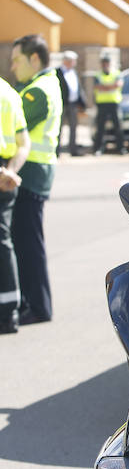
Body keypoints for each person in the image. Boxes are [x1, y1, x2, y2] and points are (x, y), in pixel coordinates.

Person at [9, 34, 62, 324]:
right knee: (27, 243)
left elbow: (11, 129)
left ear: (34, 59)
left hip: (30, 174)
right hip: (34, 174)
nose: (13, 67)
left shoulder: (37, 92)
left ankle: (38, 307)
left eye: (17, 60)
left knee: (28, 245)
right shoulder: (42, 84)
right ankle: (34, 303)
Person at [0, 77, 30, 333]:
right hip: (6, 172)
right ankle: (10, 311)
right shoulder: (8, 93)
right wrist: (10, 171)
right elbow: (24, 143)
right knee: (3, 240)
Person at [92, 55, 126, 155]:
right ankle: (99, 148)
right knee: (100, 128)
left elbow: (118, 85)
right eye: (104, 63)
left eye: (107, 63)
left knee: (118, 127)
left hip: (114, 103)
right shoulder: (98, 75)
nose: (105, 65)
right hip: (102, 104)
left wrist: (105, 87)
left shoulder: (116, 73)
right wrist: (111, 87)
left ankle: (120, 148)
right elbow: (97, 87)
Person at [56, 50, 86, 156]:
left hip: (73, 104)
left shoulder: (73, 72)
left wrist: (82, 101)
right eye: (73, 61)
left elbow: (78, 87)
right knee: (58, 128)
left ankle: (73, 149)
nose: (74, 63)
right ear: (66, 61)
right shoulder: (57, 72)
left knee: (73, 127)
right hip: (62, 104)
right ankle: (57, 151)